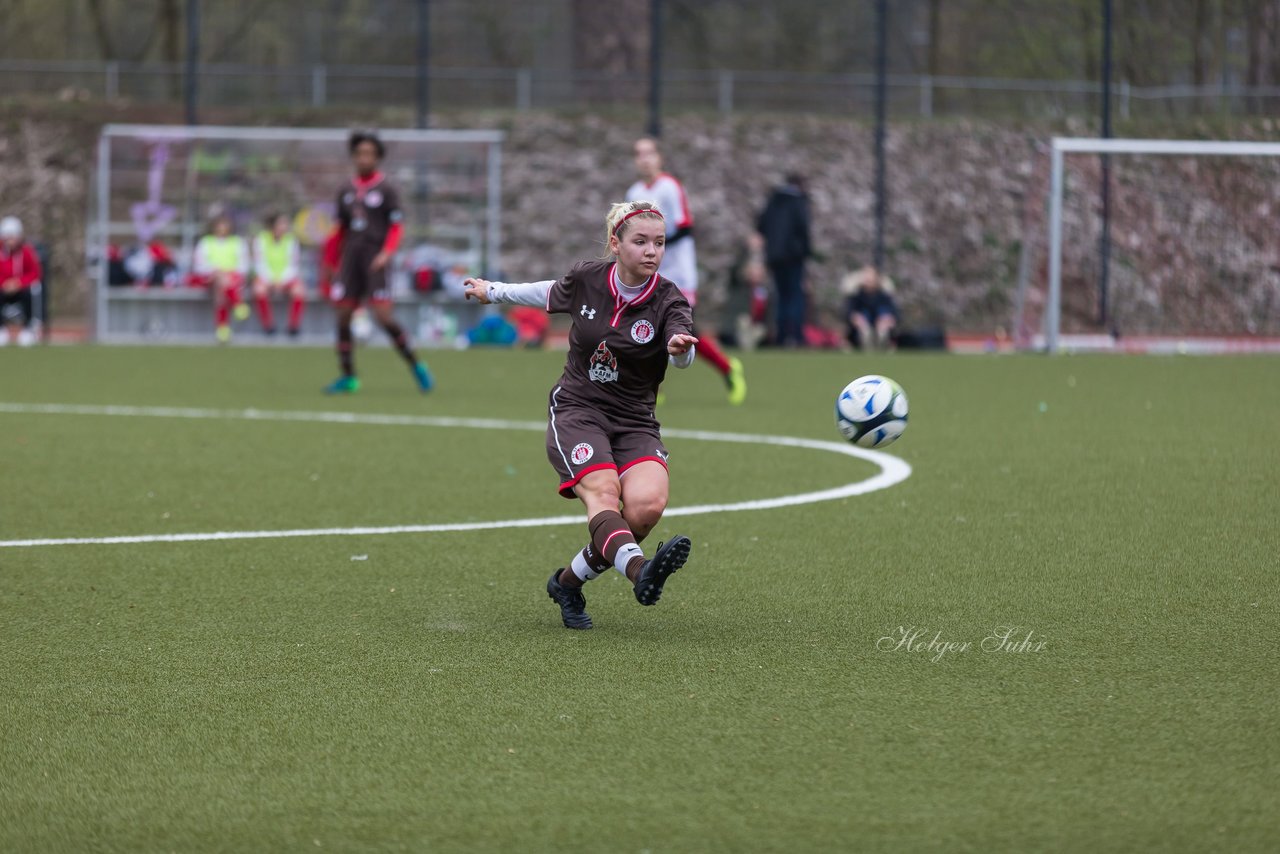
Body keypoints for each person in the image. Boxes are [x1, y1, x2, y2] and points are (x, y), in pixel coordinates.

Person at [462, 200, 698, 630]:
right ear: (616, 243)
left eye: (659, 244)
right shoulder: (589, 277)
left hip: (635, 419)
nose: (652, 251)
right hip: (578, 409)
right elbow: (544, 292)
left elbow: (682, 346)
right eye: (641, 241)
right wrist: (492, 291)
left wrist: (680, 350)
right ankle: (639, 571)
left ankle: (567, 584)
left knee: (646, 507)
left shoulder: (668, 298)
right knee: (604, 494)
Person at [625, 136, 746, 405]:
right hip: (648, 273)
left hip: (678, 273)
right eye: (638, 154)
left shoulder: (669, 187)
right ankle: (649, 387)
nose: (644, 158)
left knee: (688, 331)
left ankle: (728, 369)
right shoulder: (633, 194)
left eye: (649, 153)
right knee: (640, 325)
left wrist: (654, 245)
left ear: (659, 158)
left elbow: (685, 226)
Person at [324, 130, 433, 394]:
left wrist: (386, 253)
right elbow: (340, 230)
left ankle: (416, 364)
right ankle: (349, 376)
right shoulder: (345, 190)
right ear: (353, 156)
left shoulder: (387, 189)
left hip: (376, 259)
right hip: (351, 258)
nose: (364, 158)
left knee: (383, 317)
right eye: (360, 153)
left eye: (370, 154)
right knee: (343, 316)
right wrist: (331, 260)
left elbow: (396, 227)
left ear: (378, 158)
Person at [757, 173, 812, 348]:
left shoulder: (774, 201)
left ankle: (781, 335)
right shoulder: (798, 202)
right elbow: (803, 228)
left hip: (775, 257)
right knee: (795, 295)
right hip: (794, 257)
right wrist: (805, 251)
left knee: (781, 296)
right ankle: (795, 335)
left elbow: (761, 225)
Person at [192, 212, 250, 343]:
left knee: (221, 286)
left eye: (225, 224)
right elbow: (199, 266)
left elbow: (243, 265)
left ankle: (222, 328)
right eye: (219, 225)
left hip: (232, 279)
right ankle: (238, 305)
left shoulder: (238, 242)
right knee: (220, 280)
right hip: (210, 278)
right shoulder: (206, 242)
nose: (222, 228)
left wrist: (227, 272)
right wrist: (215, 270)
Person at [251, 212, 305, 336]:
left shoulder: (291, 241)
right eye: (282, 223)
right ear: (273, 225)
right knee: (259, 290)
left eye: (286, 223)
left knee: (299, 291)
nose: (285, 226)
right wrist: (272, 280)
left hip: (285, 278)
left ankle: (293, 326)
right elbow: (259, 263)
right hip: (267, 277)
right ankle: (268, 325)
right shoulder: (261, 239)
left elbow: (293, 265)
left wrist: (281, 280)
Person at [0, 216, 41, 346]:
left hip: (20, 289)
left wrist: (18, 283)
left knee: (29, 293)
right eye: (8, 237)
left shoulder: (26, 252)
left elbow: (35, 273)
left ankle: (27, 330)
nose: (10, 241)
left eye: (13, 236)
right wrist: (4, 284)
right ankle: (2, 330)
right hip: (3, 289)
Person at [844, 265, 899, 351]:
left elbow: (894, 313)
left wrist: (888, 319)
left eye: (871, 277)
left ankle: (883, 347)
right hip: (860, 332)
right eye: (866, 277)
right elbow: (847, 312)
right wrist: (854, 318)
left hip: (881, 330)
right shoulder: (856, 296)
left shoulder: (884, 296)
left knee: (883, 330)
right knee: (864, 330)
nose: (868, 280)